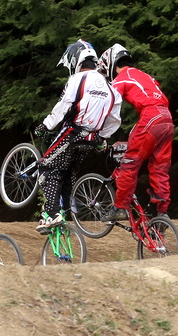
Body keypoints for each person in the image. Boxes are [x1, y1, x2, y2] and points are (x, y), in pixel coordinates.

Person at [34, 40, 122, 234]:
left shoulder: (78, 79)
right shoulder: (111, 88)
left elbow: (63, 105)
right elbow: (115, 120)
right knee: (67, 173)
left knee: (46, 166)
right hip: (92, 139)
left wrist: (46, 125)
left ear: (76, 60)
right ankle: (64, 214)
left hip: (73, 133)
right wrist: (102, 137)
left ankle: (51, 213)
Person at [97, 44, 174, 221]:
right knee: (159, 167)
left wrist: (100, 132)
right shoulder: (145, 75)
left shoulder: (122, 78)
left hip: (151, 116)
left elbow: (108, 105)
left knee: (129, 164)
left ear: (111, 63)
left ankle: (120, 208)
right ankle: (161, 214)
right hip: (167, 118)